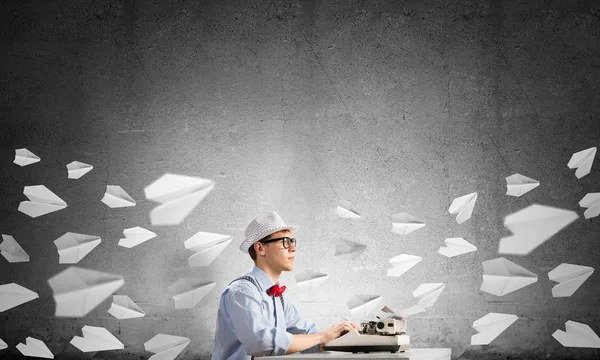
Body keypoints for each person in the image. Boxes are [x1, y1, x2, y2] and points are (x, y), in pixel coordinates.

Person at [212, 211, 358, 360]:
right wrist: (321, 337)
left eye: (292, 242)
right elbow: (260, 343)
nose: (293, 248)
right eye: (285, 242)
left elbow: (307, 338)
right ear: (260, 248)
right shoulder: (242, 292)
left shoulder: (279, 297)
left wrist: (340, 336)